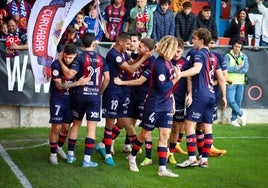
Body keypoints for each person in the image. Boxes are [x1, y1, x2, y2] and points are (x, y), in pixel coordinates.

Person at [127, 35, 181, 177]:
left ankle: (162, 169)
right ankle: (132, 158)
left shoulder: (168, 63)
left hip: (166, 105)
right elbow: (164, 87)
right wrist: (177, 78)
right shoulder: (159, 64)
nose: (176, 51)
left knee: (164, 135)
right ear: (168, 48)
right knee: (144, 134)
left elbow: (168, 90)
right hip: (154, 104)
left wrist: (172, 101)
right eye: (174, 48)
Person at [95, 32, 150, 166]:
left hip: (122, 91)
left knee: (123, 120)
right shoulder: (113, 54)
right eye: (127, 43)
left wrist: (140, 57)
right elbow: (131, 69)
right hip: (112, 91)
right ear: (120, 42)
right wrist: (144, 59)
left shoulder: (123, 53)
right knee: (110, 122)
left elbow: (130, 62)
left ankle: (103, 144)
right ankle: (107, 153)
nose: (129, 46)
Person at [177, 28, 227, 168]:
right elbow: (221, 78)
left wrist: (179, 74)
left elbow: (197, 69)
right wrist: (223, 96)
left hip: (200, 95)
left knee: (189, 125)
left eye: (194, 38)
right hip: (211, 95)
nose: (192, 40)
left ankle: (192, 158)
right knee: (207, 128)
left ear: (201, 40)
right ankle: (204, 159)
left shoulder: (198, 53)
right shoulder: (214, 56)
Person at [63, 33, 110, 167]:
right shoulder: (102, 59)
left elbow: (70, 74)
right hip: (94, 96)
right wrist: (99, 92)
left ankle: (70, 155)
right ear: (94, 44)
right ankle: (87, 160)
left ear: (82, 44)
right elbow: (107, 78)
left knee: (76, 124)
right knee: (91, 128)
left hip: (79, 95)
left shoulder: (79, 57)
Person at [114, 38, 156, 166]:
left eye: (141, 46)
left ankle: (148, 157)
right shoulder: (137, 55)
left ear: (148, 50)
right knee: (125, 120)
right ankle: (113, 144)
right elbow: (131, 66)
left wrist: (122, 82)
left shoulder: (152, 61)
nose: (138, 47)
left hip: (144, 96)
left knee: (145, 127)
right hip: (133, 94)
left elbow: (140, 81)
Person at [49, 43, 90, 165]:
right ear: (62, 55)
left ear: (75, 56)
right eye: (65, 57)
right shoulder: (56, 64)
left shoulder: (76, 65)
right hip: (58, 99)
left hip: (70, 101)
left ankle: (59, 148)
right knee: (56, 127)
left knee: (66, 128)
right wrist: (77, 83)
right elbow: (59, 85)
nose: (67, 60)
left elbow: (73, 75)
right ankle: (52, 154)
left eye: (70, 58)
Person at [167, 38, 191, 165]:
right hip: (166, 99)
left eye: (179, 51)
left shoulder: (185, 63)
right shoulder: (166, 60)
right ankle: (164, 150)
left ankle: (171, 152)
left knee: (176, 127)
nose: (176, 54)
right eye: (175, 51)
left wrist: (190, 94)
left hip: (180, 99)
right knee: (165, 127)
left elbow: (189, 80)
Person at [224, 39, 248, 127]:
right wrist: (238, 67)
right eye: (236, 46)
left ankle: (233, 119)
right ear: (233, 46)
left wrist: (234, 68)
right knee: (230, 100)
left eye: (239, 47)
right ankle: (242, 114)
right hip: (230, 82)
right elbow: (227, 69)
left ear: (241, 48)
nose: (237, 48)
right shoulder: (227, 56)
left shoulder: (244, 56)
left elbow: (245, 69)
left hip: (240, 82)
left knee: (237, 102)